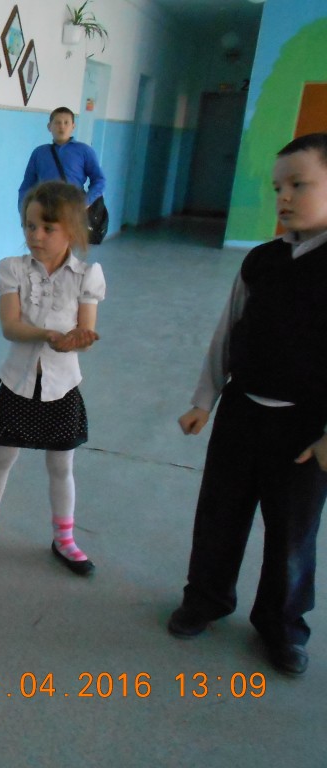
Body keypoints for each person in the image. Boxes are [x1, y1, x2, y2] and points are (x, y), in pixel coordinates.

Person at [168, 133, 327, 676]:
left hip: (304, 432)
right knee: (219, 514)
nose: (284, 197)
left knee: (292, 534)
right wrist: (204, 399)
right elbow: (226, 334)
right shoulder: (260, 261)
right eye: (278, 187)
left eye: (299, 185)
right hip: (241, 414)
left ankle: (283, 626)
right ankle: (205, 598)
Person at [0, 181, 105, 575]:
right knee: (1, 458)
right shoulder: (13, 270)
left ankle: (65, 539)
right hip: (17, 383)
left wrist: (79, 339)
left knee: (61, 467)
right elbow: (10, 326)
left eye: (47, 228)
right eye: (29, 226)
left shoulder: (87, 276)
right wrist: (49, 335)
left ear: (71, 231)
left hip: (63, 387)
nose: (35, 235)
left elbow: (86, 332)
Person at [18, 107, 105, 214]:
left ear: (73, 126)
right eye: (57, 122)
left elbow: (99, 180)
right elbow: (27, 186)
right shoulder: (39, 153)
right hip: (47, 208)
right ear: (49, 127)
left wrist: (85, 202)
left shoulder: (84, 151)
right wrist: (24, 211)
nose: (62, 126)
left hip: (74, 209)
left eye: (66, 123)